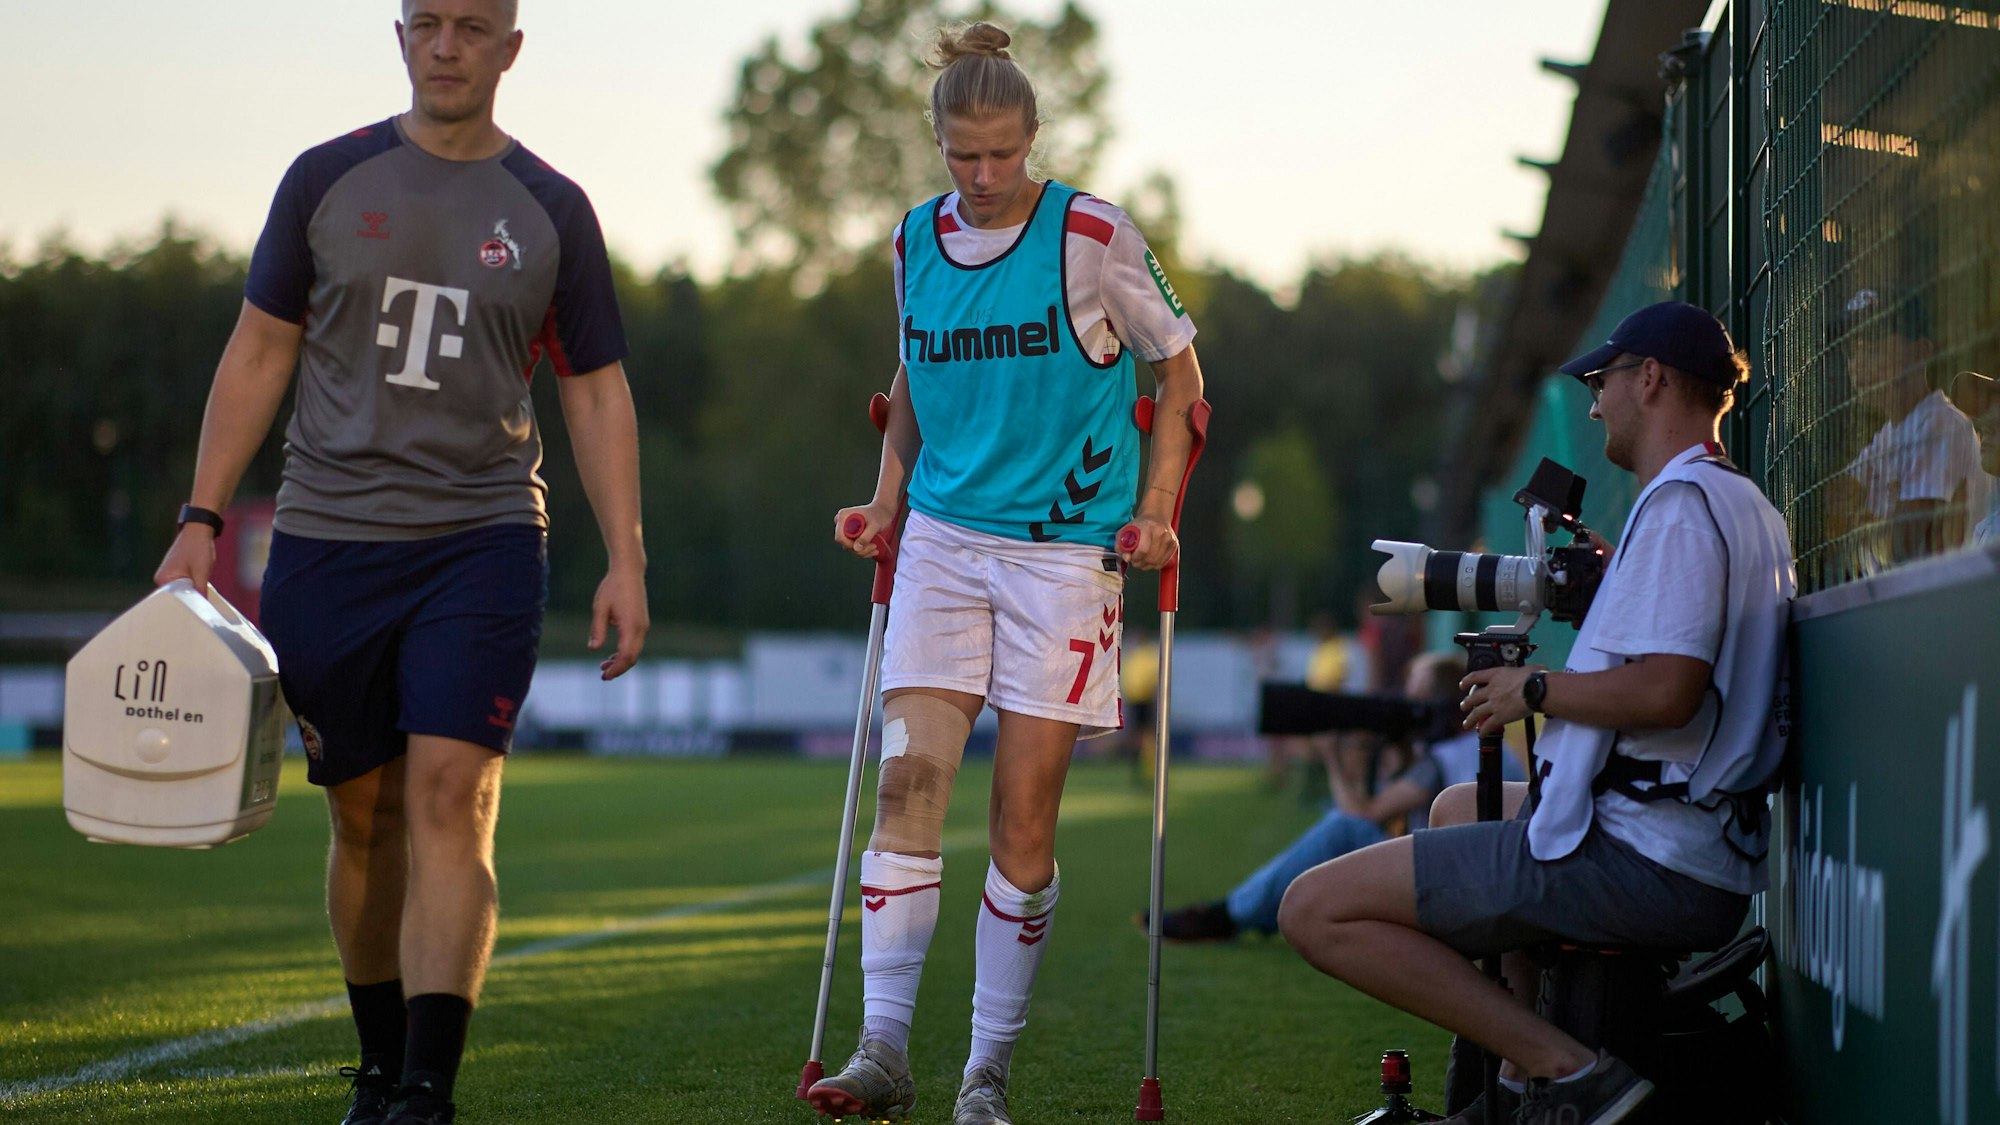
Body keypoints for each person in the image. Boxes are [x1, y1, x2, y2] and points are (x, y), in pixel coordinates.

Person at [151, 3, 648, 1123]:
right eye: (428, 21)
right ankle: (378, 1066)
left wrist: (627, 558)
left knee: (452, 794)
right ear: (400, 35)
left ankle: (427, 1089)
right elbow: (260, 347)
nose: (447, 44)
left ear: (509, 49)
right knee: (362, 813)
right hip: (328, 541)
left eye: (474, 26)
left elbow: (595, 389)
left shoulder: (554, 210)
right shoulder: (322, 179)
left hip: (480, 539)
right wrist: (198, 517)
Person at [811, 21, 1204, 1125]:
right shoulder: (909, 241)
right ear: (935, 139)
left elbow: (1177, 369)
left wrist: (1154, 514)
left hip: (1063, 553)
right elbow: (912, 377)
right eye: (960, 155)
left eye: (999, 154)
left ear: (1032, 134)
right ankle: (881, 1050)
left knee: (1020, 824)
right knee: (907, 786)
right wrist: (882, 503)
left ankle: (986, 1073)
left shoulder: (1089, 232)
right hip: (941, 538)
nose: (980, 179)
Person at [1278, 302, 1793, 1125]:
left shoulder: (1681, 508)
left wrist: (1537, 691)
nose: (1595, 404)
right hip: (1686, 834)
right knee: (1453, 805)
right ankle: (1516, 1086)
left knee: (1312, 907)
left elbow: (1669, 690)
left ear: (1651, 379)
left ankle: (1574, 1075)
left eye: (1603, 381)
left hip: (1651, 857)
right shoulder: (1739, 502)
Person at [1147, 651, 1524, 942]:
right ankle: (1241, 910)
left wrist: (1330, 757)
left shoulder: (1445, 757)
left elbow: (1365, 814)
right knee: (1341, 821)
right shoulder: (1483, 747)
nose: (1406, 702)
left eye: (1418, 696)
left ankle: (1227, 915)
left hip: (1455, 887)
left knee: (1343, 824)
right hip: (1485, 879)